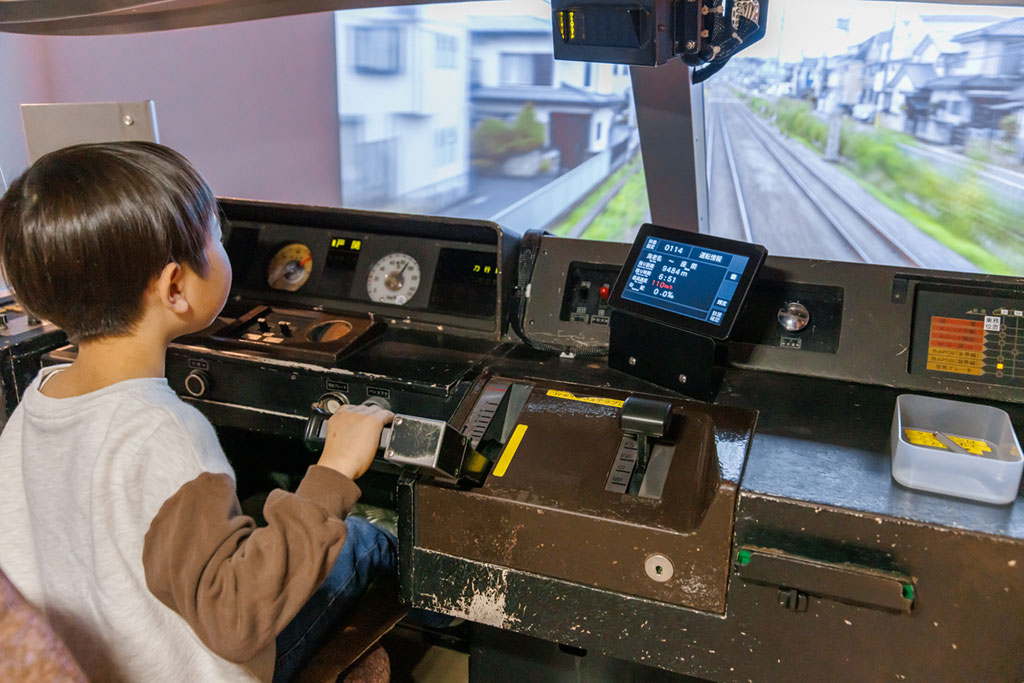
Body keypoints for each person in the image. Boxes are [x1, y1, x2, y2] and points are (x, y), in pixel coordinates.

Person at [0, 142, 398, 682]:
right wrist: (333, 473)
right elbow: (235, 620)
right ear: (174, 287)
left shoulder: (38, 401)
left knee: (257, 507)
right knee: (364, 542)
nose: (220, 247)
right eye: (215, 237)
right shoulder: (165, 430)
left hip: (99, 663)